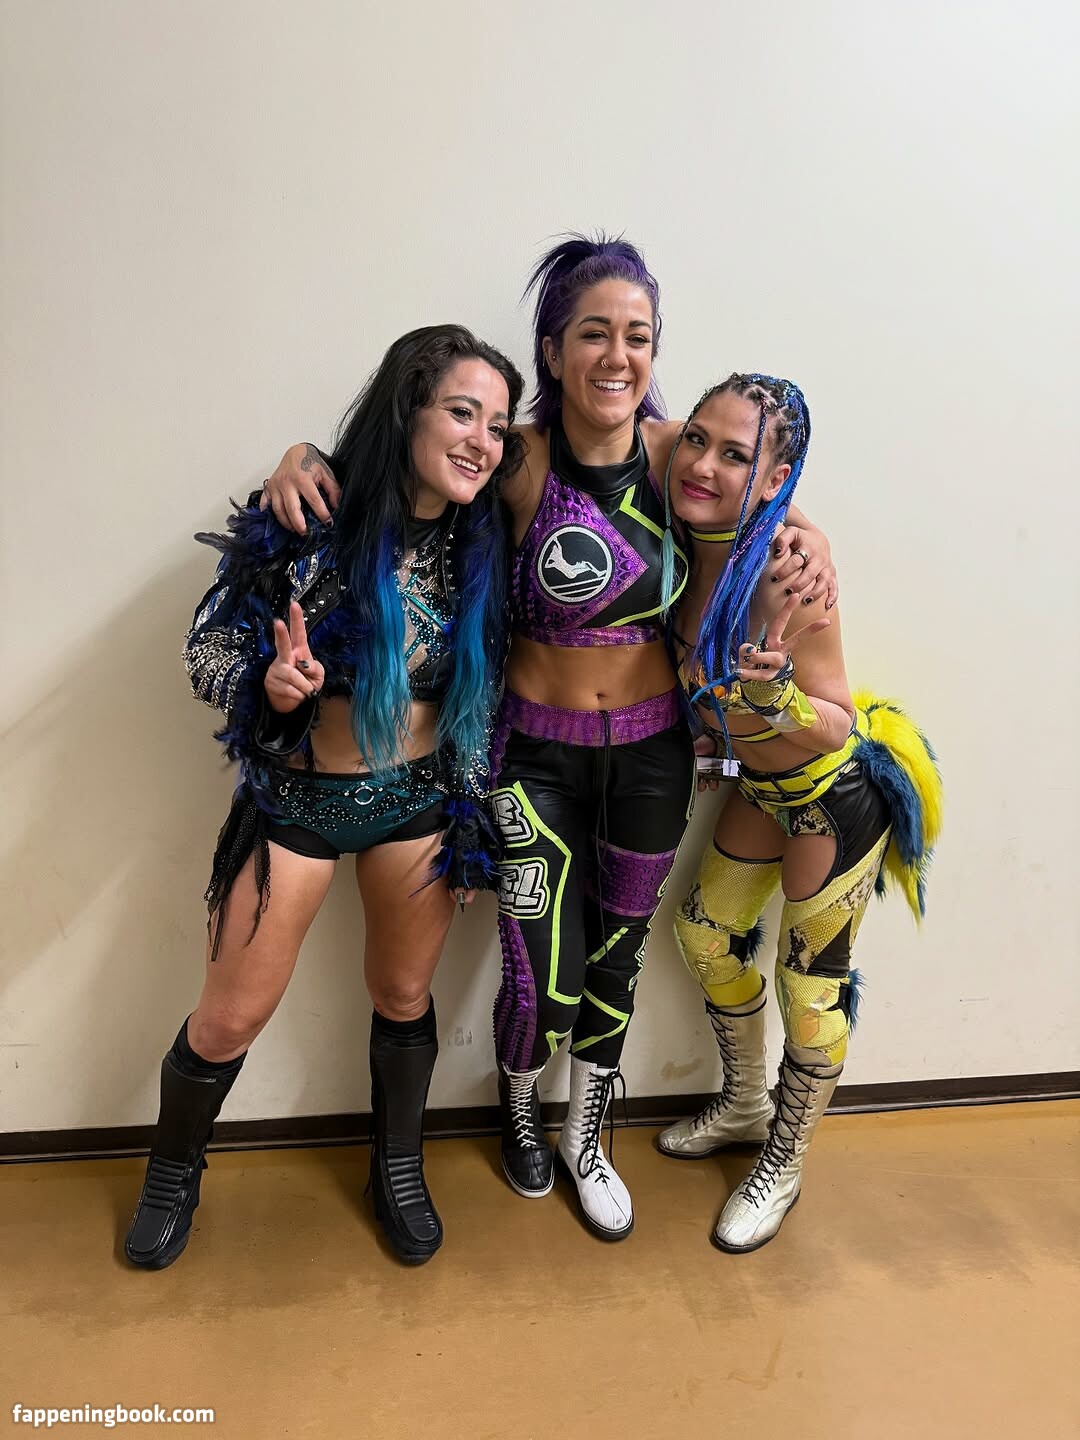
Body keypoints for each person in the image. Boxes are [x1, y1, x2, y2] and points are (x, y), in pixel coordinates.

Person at [264, 236, 837, 1242]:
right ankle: (521, 1108)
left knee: (617, 956)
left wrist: (809, 534)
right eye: (594, 333)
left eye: (638, 336)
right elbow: (402, 465)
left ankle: (588, 1133)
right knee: (541, 962)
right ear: (554, 348)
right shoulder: (515, 457)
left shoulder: (677, 453)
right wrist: (303, 459)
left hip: (654, 755)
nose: (618, 356)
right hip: (532, 754)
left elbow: (760, 487)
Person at [125, 325, 525, 1270]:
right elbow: (205, 650)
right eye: (461, 413)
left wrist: (472, 811)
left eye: (498, 426)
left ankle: (397, 1166)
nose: (482, 441)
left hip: (418, 804)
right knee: (229, 1016)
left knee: (403, 993)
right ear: (408, 410)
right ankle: (171, 1172)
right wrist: (269, 685)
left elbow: (483, 698)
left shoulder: (486, 538)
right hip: (297, 804)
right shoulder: (307, 514)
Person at [656, 373, 942, 1251]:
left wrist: (775, 693)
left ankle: (783, 1159)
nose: (704, 464)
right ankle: (745, 1105)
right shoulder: (679, 521)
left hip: (831, 800)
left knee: (810, 988)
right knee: (704, 936)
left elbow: (837, 723)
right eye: (697, 438)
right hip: (759, 789)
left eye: (735, 454)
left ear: (775, 479)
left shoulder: (788, 570)